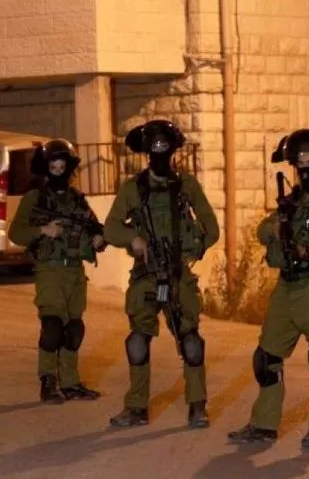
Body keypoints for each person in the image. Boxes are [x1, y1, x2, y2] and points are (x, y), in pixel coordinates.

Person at [227, 129, 309, 449]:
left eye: (307, 158)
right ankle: (264, 424)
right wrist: (276, 228)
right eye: (296, 160)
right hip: (287, 286)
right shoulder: (294, 198)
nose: (301, 165)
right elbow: (263, 230)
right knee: (266, 358)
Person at [103, 119, 220, 428]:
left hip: (178, 273)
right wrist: (134, 239)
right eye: (154, 148)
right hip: (147, 274)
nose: (159, 153)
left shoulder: (186, 185)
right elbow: (111, 227)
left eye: (164, 147)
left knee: (191, 341)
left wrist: (192, 249)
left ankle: (197, 405)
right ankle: (136, 407)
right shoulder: (133, 188)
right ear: (146, 152)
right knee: (137, 340)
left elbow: (211, 227)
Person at [8, 138, 106, 404]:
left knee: (74, 329)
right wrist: (43, 230)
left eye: (63, 166)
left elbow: (95, 227)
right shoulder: (34, 199)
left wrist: (98, 239)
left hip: (75, 271)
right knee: (52, 327)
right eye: (53, 166)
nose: (58, 171)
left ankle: (71, 382)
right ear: (46, 168)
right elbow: (15, 233)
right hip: (49, 269)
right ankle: (48, 381)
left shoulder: (77, 199)